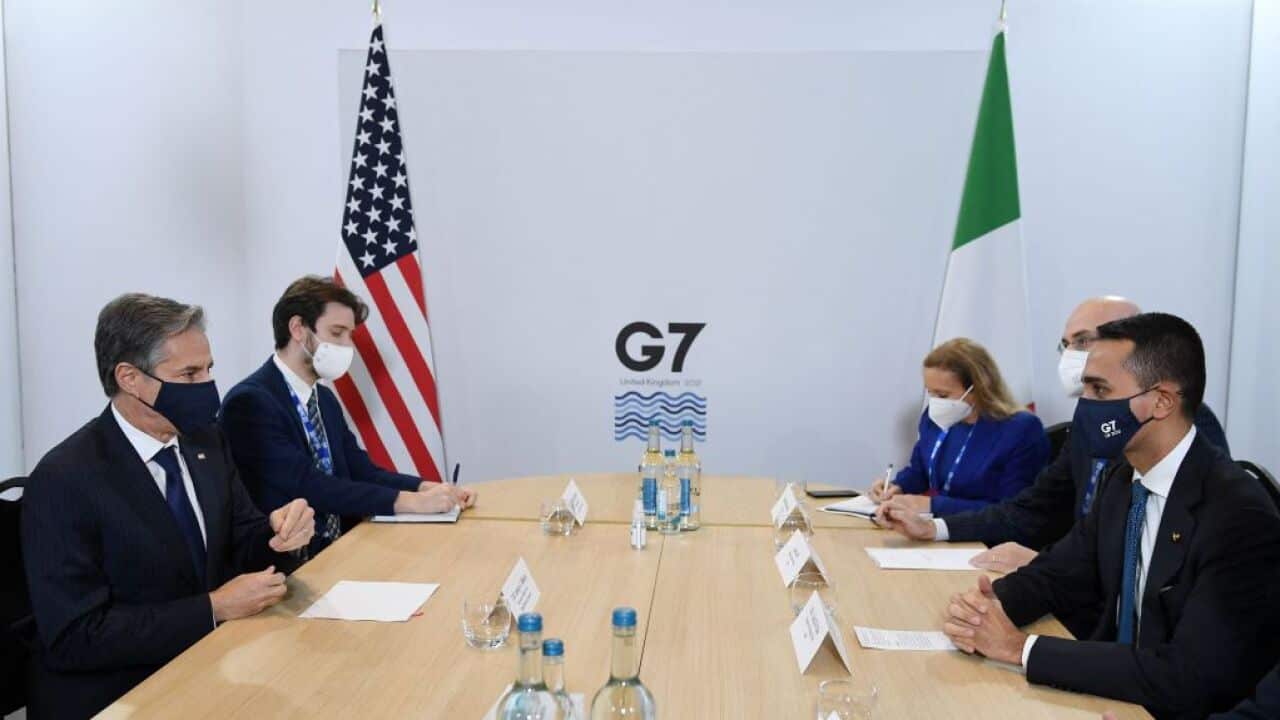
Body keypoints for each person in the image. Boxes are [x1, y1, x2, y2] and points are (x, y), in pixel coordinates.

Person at [941, 313, 1280, 719]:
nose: (1085, 405)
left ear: (1162, 401)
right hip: (1112, 691)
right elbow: (1062, 572)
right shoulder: (1124, 477)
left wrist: (1019, 648)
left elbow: (1190, 677)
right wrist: (990, 608)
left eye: (1099, 389)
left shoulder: (1238, 513)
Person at [21, 294, 316, 719]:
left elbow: (244, 540)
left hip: (213, 661)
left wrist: (280, 535)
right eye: (189, 373)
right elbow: (76, 636)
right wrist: (213, 607)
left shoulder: (206, 442)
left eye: (209, 369)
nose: (207, 385)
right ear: (129, 378)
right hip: (118, 692)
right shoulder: (65, 478)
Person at [877, 297, 1231, 578]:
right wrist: (934, 528)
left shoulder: (1187, 427)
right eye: (1067, 344)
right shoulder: (1087, 422)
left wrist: (1048, 566)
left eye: (1085, 341)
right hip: (1072, 589)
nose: (1073, 355)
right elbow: (1032, 511)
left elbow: (1161, 559)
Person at [220, 276, 474, 556]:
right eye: (337, 332)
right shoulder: (250, 402)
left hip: (339, 549)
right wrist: (410, 502)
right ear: (298, 329)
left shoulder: (324, 399)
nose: (348, 346)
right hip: (286, 564)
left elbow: (361, 471)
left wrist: (427, 487)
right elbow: (309, 485)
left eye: (350, 335)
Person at [866, 338, 1049, 517]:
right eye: (931, 393)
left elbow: (1013, 510)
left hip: (987, 537)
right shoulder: (934, 419)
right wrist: (898, 487)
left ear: (978, 388)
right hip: (937, 529)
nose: (936, 402)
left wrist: (933, 505)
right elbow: (920, 470)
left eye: (943, 395)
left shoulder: (1020, 430)